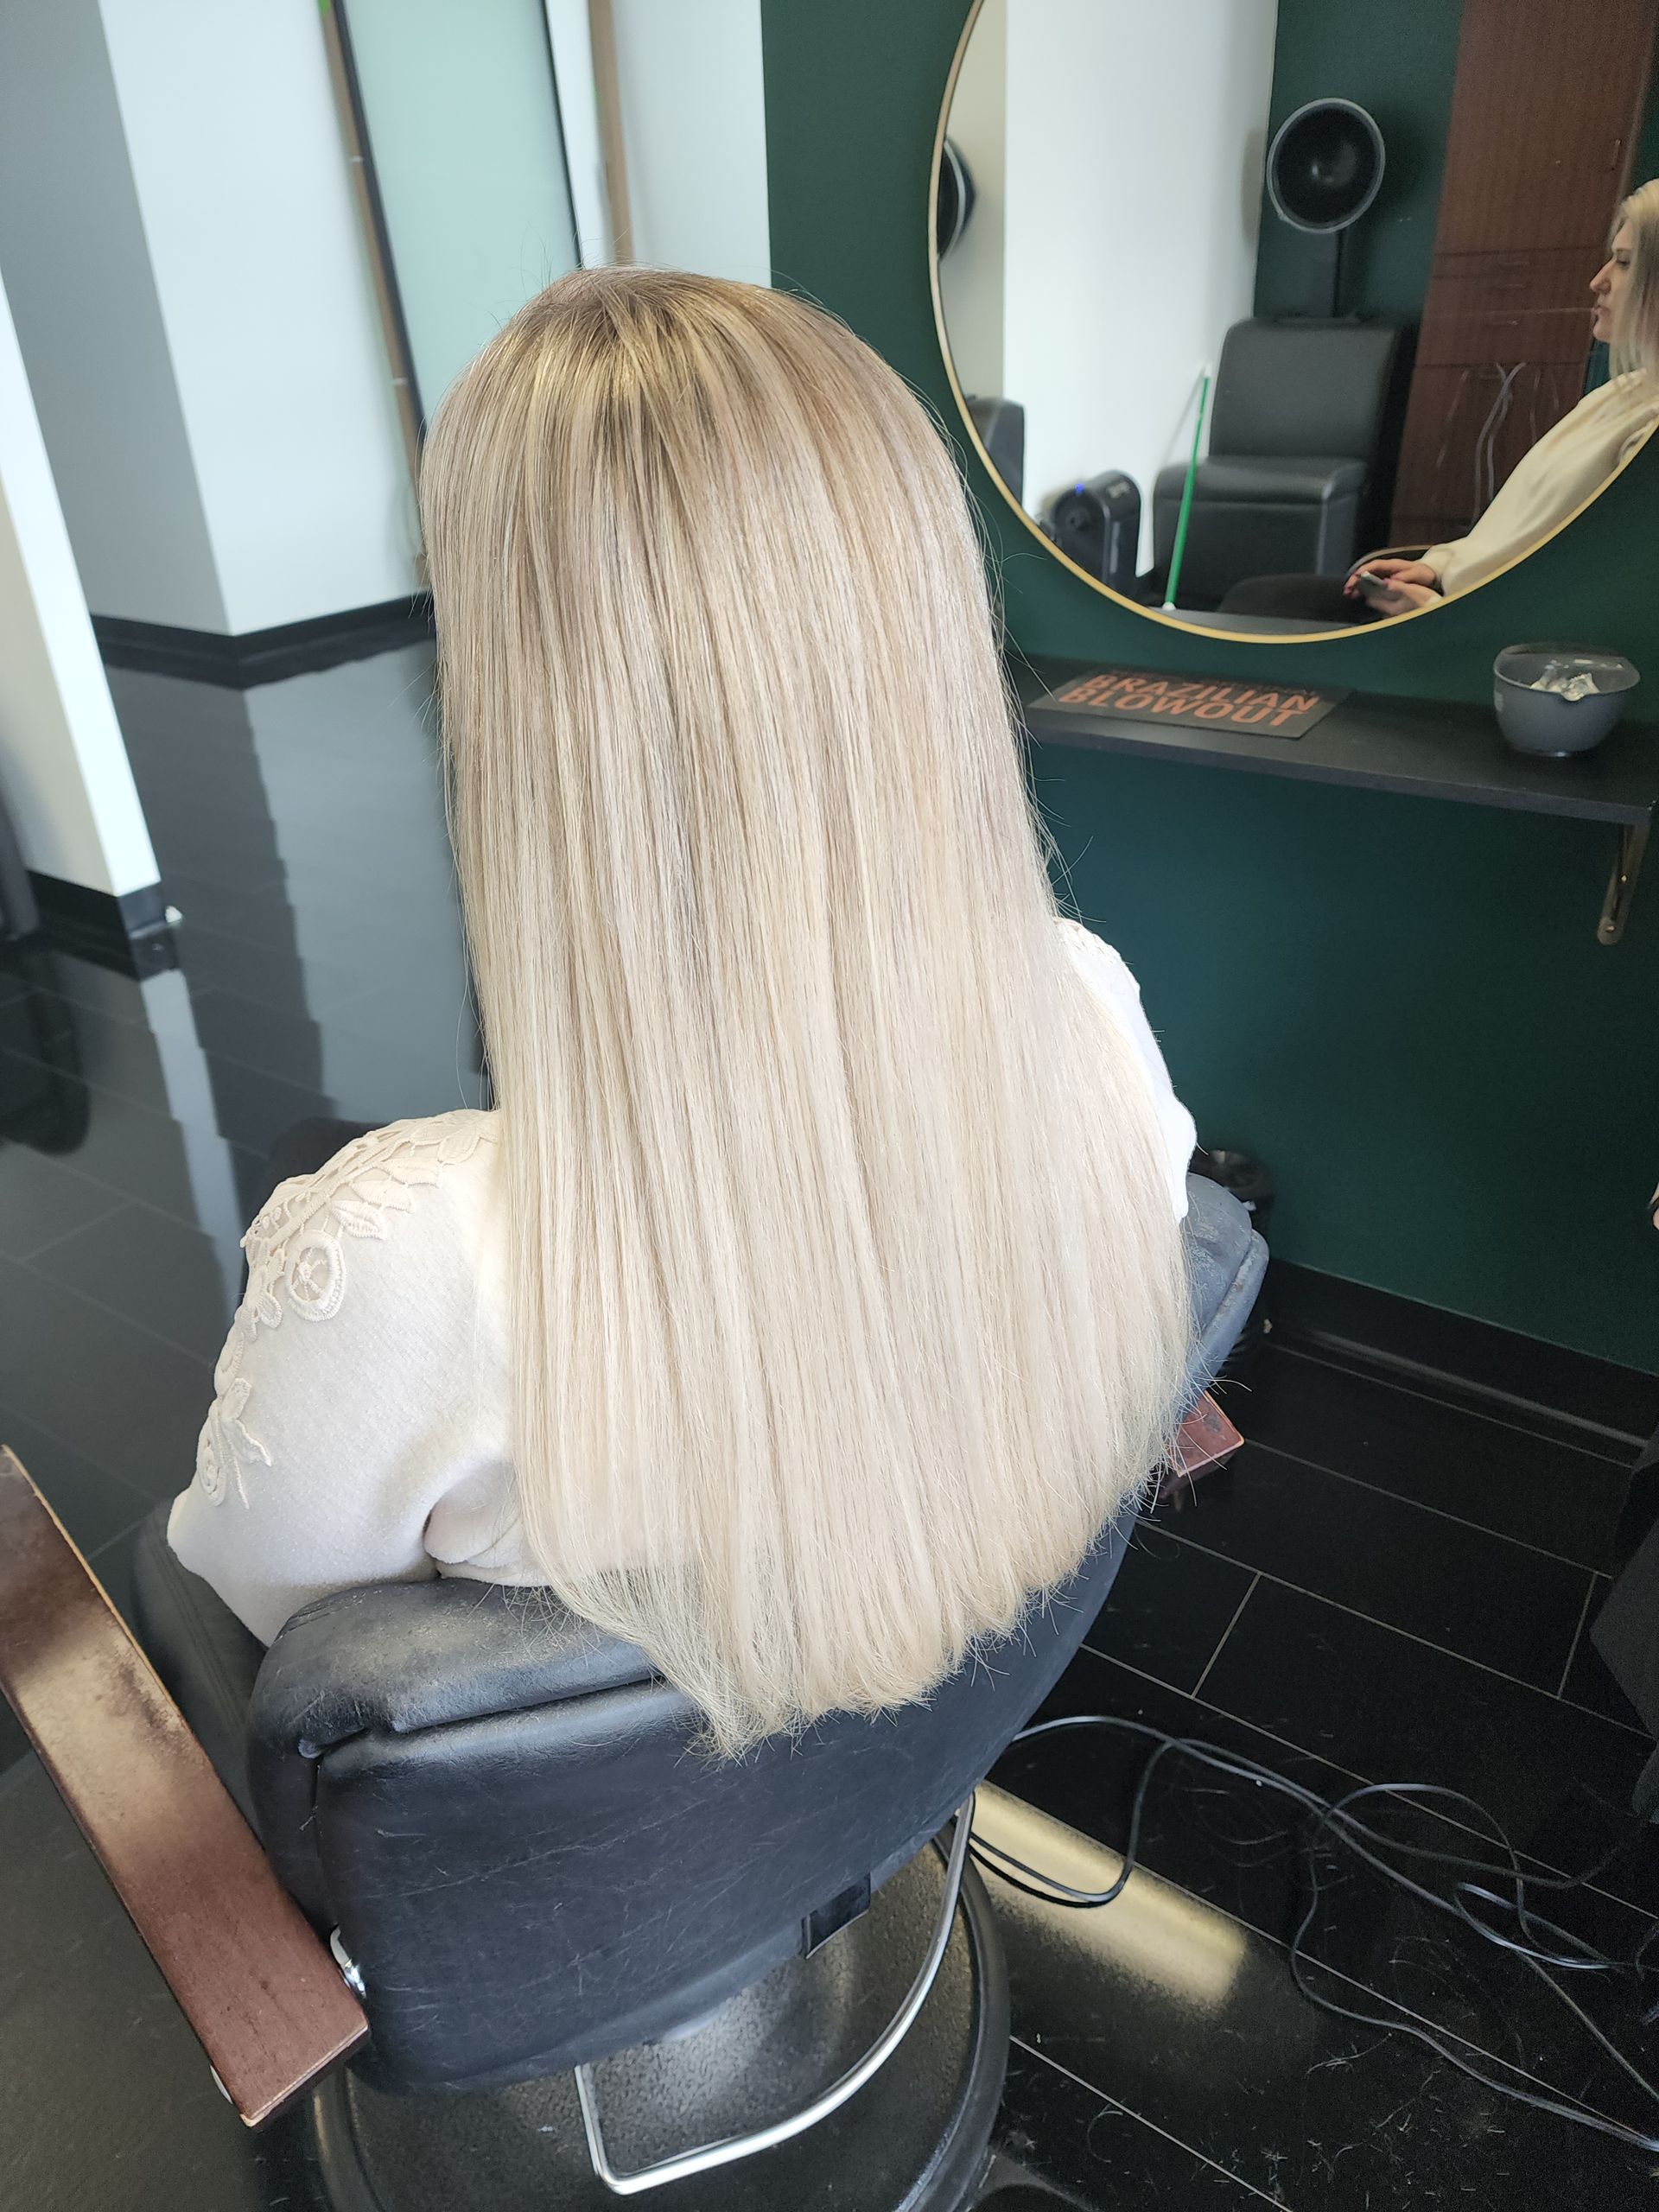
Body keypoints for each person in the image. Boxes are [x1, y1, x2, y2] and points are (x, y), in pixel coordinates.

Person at [167, 270, 1195, 1755]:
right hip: (912, 1775)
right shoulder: (1092, 1012)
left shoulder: (410, 1266)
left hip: (558, 1884)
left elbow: (269, 1627)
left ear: (518, 705)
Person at [1222, 181, 1659, 626]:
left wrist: (1430, 610)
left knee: (1255, 608)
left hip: (1470, 632)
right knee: (1254, 599)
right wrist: (1436, 567)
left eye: (1625, 263)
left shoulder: (1649, 436)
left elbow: (1593, 606)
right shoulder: (1617, 395)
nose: (1598, 281)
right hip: (1455, 604)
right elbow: (1511, 537)